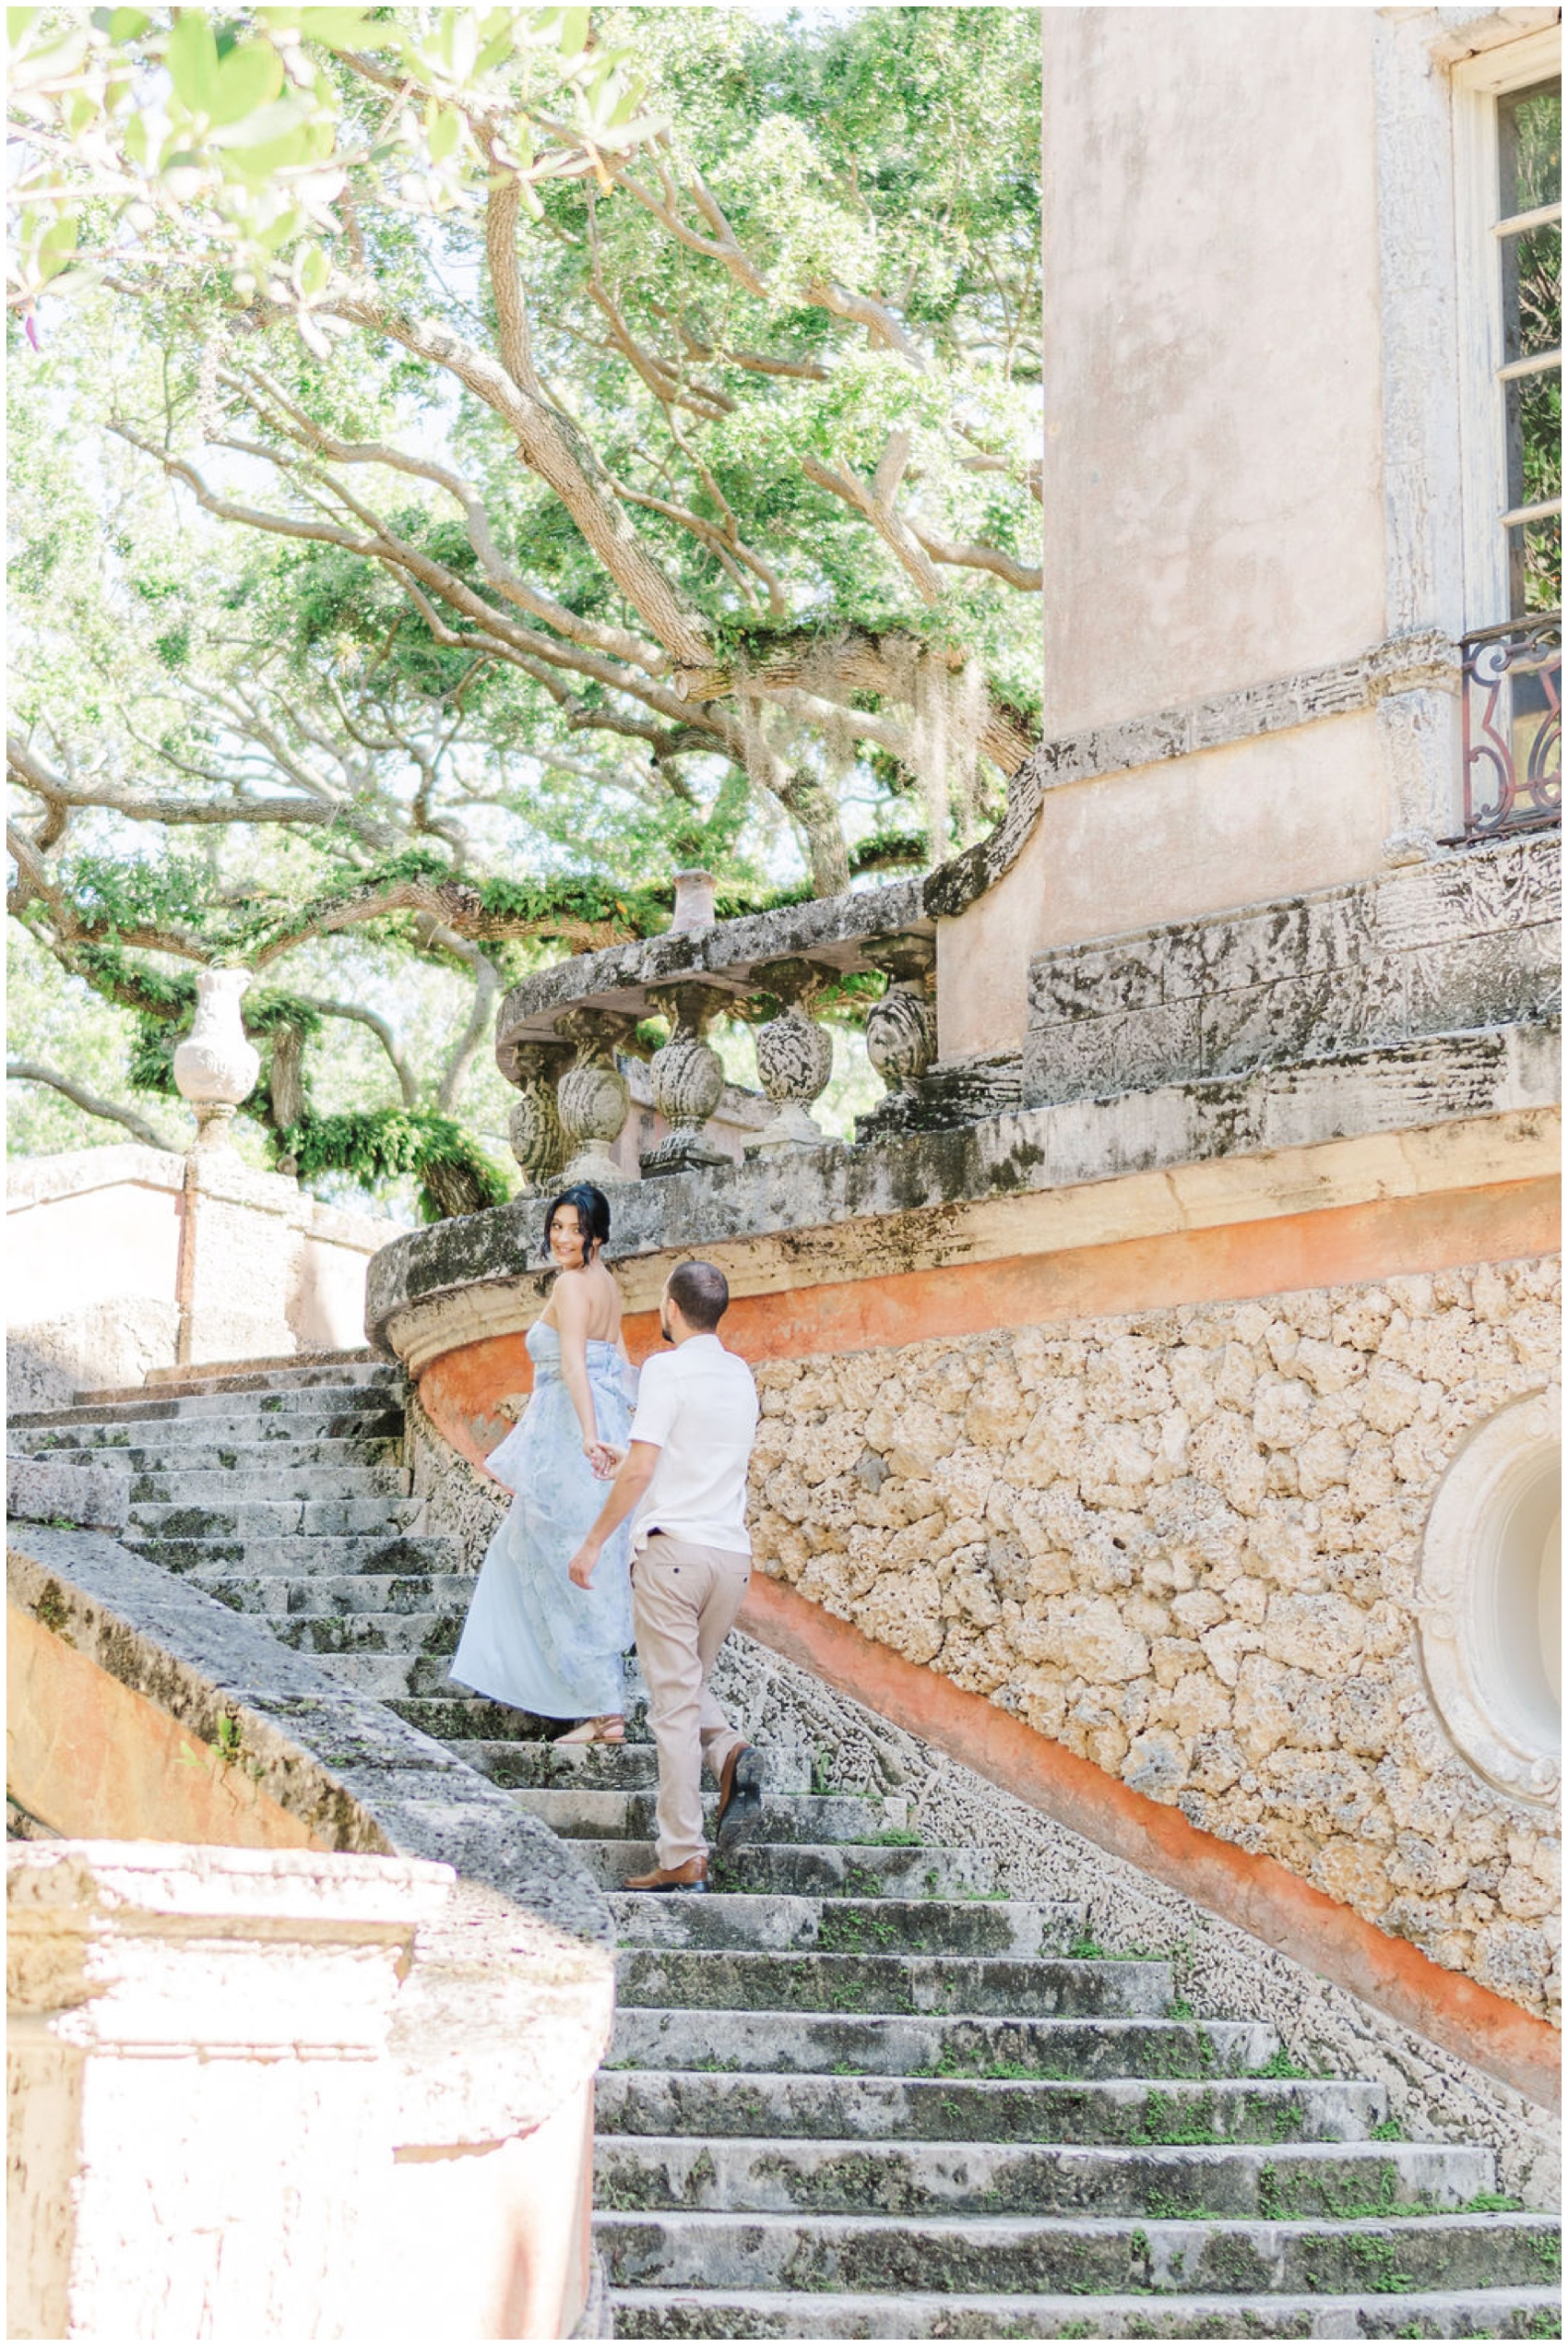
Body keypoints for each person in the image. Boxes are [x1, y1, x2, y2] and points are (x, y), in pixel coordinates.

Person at [567, 1259, 763, 1890]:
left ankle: (683, 1851)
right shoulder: (740, 1375)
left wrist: (594, 1542)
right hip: (729, 1560)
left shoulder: (665, 1367)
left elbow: (647, 1464)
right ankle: (730, 1750)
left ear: (672, 1309)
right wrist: (630, 1457)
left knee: (672, 1706)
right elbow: (698, 1455)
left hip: (673, 1555)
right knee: (684, 1685)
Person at [450, 1184, 635, 1747]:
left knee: (564, 1561)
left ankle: (604, 1711)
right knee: (546, 1554)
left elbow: (577, 1366)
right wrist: (619, 1430)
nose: (563, 1237)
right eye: (557, 1226)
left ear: (597, 1234)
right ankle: (592, 1702)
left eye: (575, 1228)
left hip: (571, 1433)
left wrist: (588, 1437)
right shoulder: (608, 1285)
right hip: (600, 1424)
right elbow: (621, 1363)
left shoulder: (573, 1285)